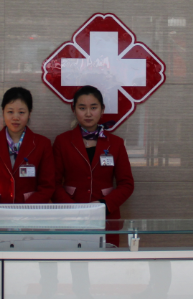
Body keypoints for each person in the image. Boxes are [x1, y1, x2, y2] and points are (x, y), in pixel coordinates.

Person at [52, 85, 134, 245]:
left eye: (94, 107)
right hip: (70, 218)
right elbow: (53, 183)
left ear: (102, 109)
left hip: (106, 217)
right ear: (73, 109)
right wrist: (73, 209)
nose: (88, 113)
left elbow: (127, 184)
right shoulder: (62, 141)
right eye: (82, 108)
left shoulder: (115, 143)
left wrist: (103, 205)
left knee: (106, 258)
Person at [0, 87, 55, 217]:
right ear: (3, 112)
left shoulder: (42, 144)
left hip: (30, 216)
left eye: (21, 112)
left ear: (29, 113)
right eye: (10, 112)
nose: (15, 117)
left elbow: (47, 186)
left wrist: (25, 213)